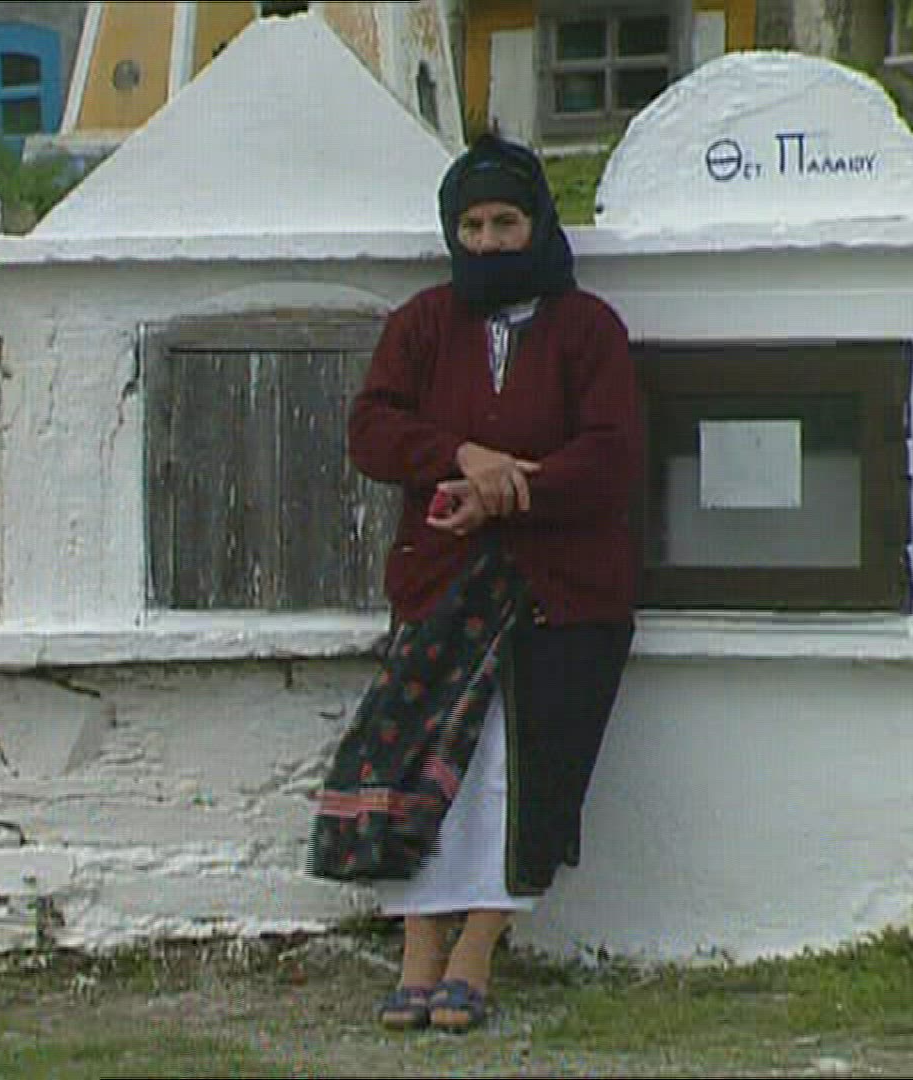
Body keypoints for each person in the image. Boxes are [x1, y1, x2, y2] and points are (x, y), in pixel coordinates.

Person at [308, 134, 640, 1035]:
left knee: (517, 780)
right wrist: (461, 454)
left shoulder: (587, 330)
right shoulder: (423, 324)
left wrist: (509, 489)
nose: (489, 241)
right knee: (424, 772)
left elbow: (612, 455)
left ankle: (477, 951)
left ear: (538, 224)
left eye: (506, 222)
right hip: (443, 589)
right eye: (473, 225)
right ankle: (418, 950)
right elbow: (373, 429)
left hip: (561, 596)